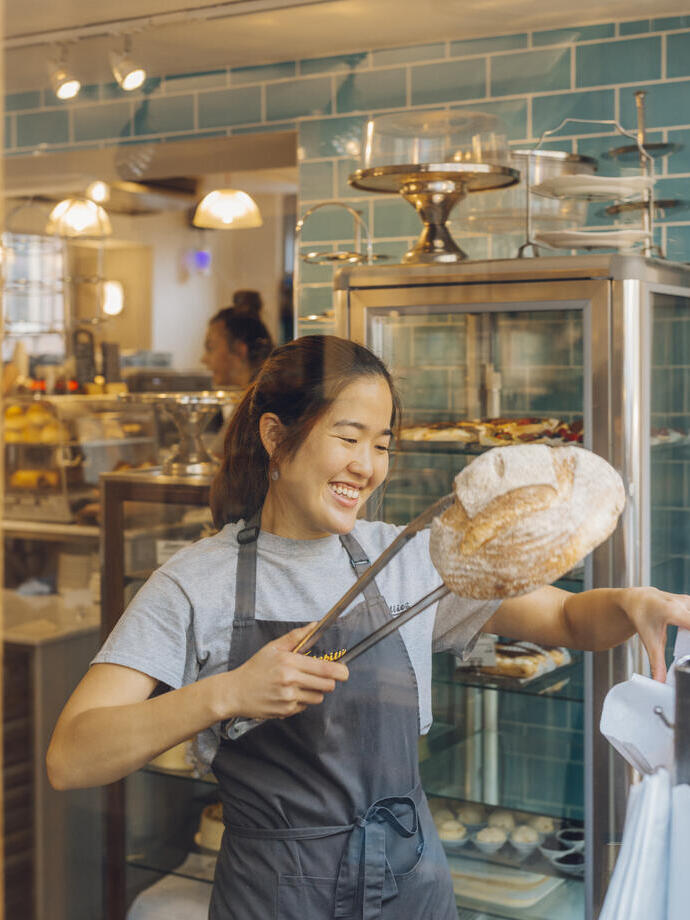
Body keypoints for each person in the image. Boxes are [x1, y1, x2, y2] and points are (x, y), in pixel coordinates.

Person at [47, 335, 690, 920]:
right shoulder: (197, 581)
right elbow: (72, 756)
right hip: (277, 896)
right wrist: (228, 693)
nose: (367, 466)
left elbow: (567, 618)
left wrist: (636, 602)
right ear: (276, 435)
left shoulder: (406, 555)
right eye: (348, 437)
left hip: (412, 887)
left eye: (382, 445)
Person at [201, 290, 274, 389]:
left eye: (210, 348)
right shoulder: (258, 398)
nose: (204, 359)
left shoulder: (267, 400)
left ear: (240, 349)